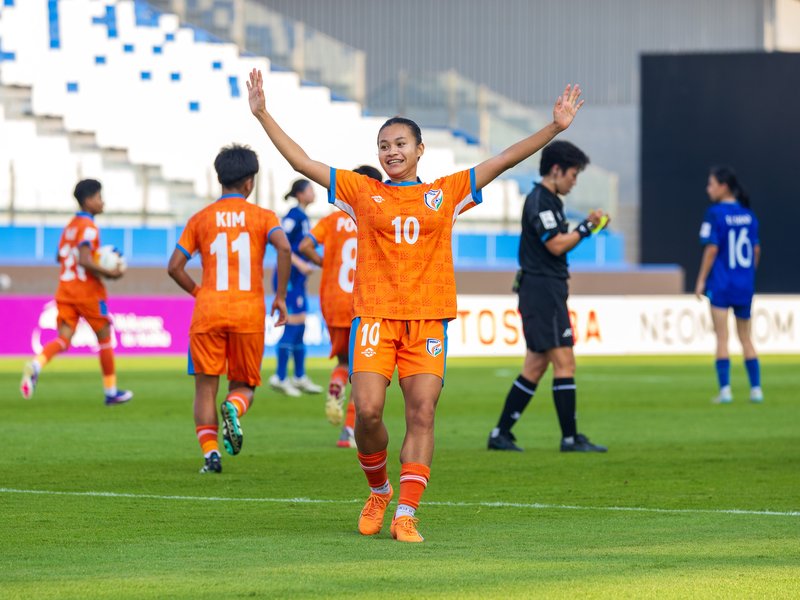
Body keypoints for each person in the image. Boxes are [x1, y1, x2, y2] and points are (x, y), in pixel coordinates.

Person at [247, 67, 584, 542]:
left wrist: (554, 128)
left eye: (400, 143)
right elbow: (303, 162)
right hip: (374, 318)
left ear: (420, 149)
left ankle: (406, 512)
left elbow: (505, 158)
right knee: (367, 412)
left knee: (422, 413)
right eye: (384, 145)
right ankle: (379, 490)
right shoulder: (362, 192)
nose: (392, 152)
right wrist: (263, 114)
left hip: (427, 320)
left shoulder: (444, 193)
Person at [167, 144, 291, 474]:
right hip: (248, 313)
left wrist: (199, 292)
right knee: (243, 386)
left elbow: (174, 266)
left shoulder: (200, 219)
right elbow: (284, 248)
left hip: (208, 312)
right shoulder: (263, 217)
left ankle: (210, 455)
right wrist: (280, 297)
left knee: (205, 387)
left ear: (220, 178)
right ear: (250, 182)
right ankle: (234, 407)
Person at [488, 141, 608, 453]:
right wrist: (586, 228)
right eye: (573, 174)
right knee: (565, 362)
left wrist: (587, 229)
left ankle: (500, 433)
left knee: (535, 366)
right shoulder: (540, 201)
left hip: (542, 289)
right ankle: (570, 438)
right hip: (542, 290)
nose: (574, 181)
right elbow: (555, 245)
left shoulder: (549, 200)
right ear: (556, 170)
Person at [20, 179, 133, 405]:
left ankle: (36, 364)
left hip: (65, 290)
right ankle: (111, 392)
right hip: (88, 292)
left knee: (63, 339)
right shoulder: (89, 227)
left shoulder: (70, 226)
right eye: (99, 197)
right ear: (88, 200)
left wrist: (94, 258)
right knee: (105, 338)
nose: (102, 202)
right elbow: (84, 260)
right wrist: (109, 272)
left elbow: (59, 256)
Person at [298, 164, 383, 448]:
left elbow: (305, 245)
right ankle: (348, 430)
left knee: (343, 363)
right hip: (364, 302)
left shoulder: (332, 220)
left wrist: (327, 263)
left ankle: (336, 382)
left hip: (333, 302)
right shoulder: (377, 217)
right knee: (363, 371)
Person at [694, 166, 762, 404]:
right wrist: (748, 276)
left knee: (722, 338)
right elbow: (756, 250)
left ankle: (725, 391)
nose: (708, 189)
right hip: (744, 285)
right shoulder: (749, 215)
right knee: (746, 338)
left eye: (711, 184)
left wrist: (701, 279)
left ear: (723, 187)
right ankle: (756, 390)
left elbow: (712, 249)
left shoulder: (715, 213)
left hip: (722, 283)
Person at [268, 178, 324, 397]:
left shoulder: (303, 216)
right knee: (293, 325)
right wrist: (300, 264)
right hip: (288, 279)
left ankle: (299, 376)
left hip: (298, 280)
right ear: (300, 194)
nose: (314, 193)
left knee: (300, 327)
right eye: (310, 189)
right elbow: (281, 244)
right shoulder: (293, 216)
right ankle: (280, 377)